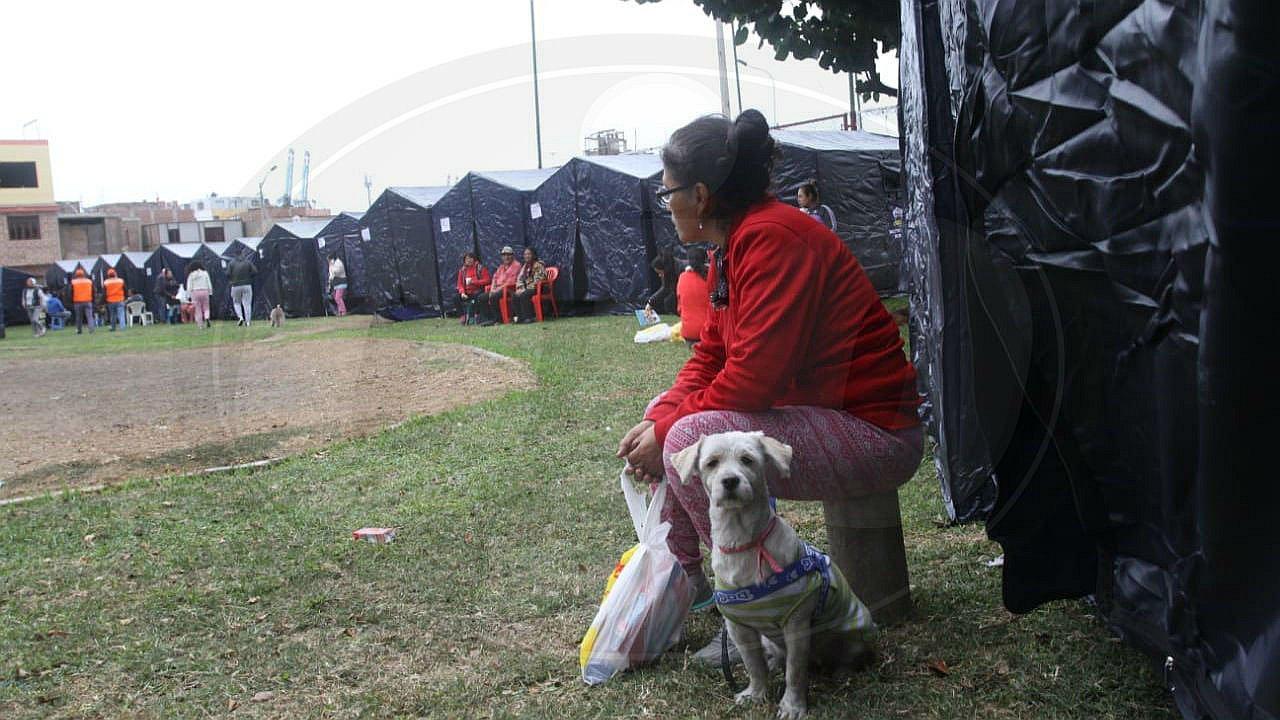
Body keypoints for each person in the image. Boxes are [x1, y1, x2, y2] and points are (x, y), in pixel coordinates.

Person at [616, 110, 923, 659]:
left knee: (689, 439)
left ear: (702, 194)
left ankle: (747, 608)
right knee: (671, 418)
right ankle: (685, 586)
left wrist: (668, 432)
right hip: (831, 417)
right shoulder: (733, 247)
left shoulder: (774, 238)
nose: (668, 207)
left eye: (670, 195)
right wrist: (659, 415)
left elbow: (752, 380)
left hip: (876, 432)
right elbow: (712, 353)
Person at [676, 246, 710, 347]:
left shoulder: (682, 277)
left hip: (688, 334)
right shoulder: (711, 277)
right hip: (708, 333)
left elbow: (679, 308)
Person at [483, 245, 522, 325]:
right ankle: (490, 319)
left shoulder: (516, 265)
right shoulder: (501, 267)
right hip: (498, 289)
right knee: (482, 298)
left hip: (509, 289)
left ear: (512, 256)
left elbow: (511, 281)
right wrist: (492, 289)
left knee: (494, 297)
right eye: (504, 255)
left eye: (508, 255)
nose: (506, 257)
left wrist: (496, 290)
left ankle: (499, 320)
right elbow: (495, 278)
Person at [511, 246, 547, 324]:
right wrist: (520, 288)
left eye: (529, 254)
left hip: (538, 288)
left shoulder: (538, 265)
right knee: (515, 295)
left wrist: (525, 289)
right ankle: (520, 318)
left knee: (524, 294)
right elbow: (520, 279)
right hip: (527, 288)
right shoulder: (525, 266)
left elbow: (539, 280)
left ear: (534, 255)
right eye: (525, 254)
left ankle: (529, 317)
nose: (526, 256)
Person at [455, 251, 491, 324]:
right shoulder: (462, 271)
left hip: (478, 290)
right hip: (467, 292)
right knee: (455, 298)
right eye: (467, 259)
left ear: (474, 259)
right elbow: (459, 284)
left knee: (476, 297)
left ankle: (474, 316)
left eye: (470, 258)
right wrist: (462, 293)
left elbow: (488, 280)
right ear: (464, 261)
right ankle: (462, 316)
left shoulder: (480, 268)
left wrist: (474, 282)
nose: (469, 260)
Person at [646, 247, 679, 315]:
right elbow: (665, 288)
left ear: (665, 268)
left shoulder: (680, 269)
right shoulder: (668, 273)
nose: (659, 276)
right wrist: (650, 302)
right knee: (669, 302)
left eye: (660, 273)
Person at [227, 253, 256, 326]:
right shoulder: (248, 262)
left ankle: (240, 317)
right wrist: (249, 277)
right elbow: (255, 271)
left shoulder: (231, 263)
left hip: (235, 285)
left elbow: (227, 274)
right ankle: (248, 322)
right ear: (242, 254)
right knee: (247, 304)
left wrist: (232, 279)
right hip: (247, 285)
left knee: (236, 303)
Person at [185, 262, 213, 328]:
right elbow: (209, 283)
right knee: (206, 307)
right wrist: (210, 292)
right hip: (205, 290)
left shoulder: (191, 275)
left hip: (195, 292)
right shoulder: (205, 273)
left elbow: (189, 286)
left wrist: (188, 296)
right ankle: (207, 317)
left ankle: (200, 325)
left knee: (198, 309)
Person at [70, 268, 95, 334]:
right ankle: (91, 329)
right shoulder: (89, 281)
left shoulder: (73, 282)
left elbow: (71, 292)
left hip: (77, 301)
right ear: (83, 274)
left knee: (78, 317)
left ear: (76, 275)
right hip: (88, 301)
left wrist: (71, 301)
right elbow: (93, 291)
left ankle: (79, 330)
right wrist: (93, 299)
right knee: (89, 316)